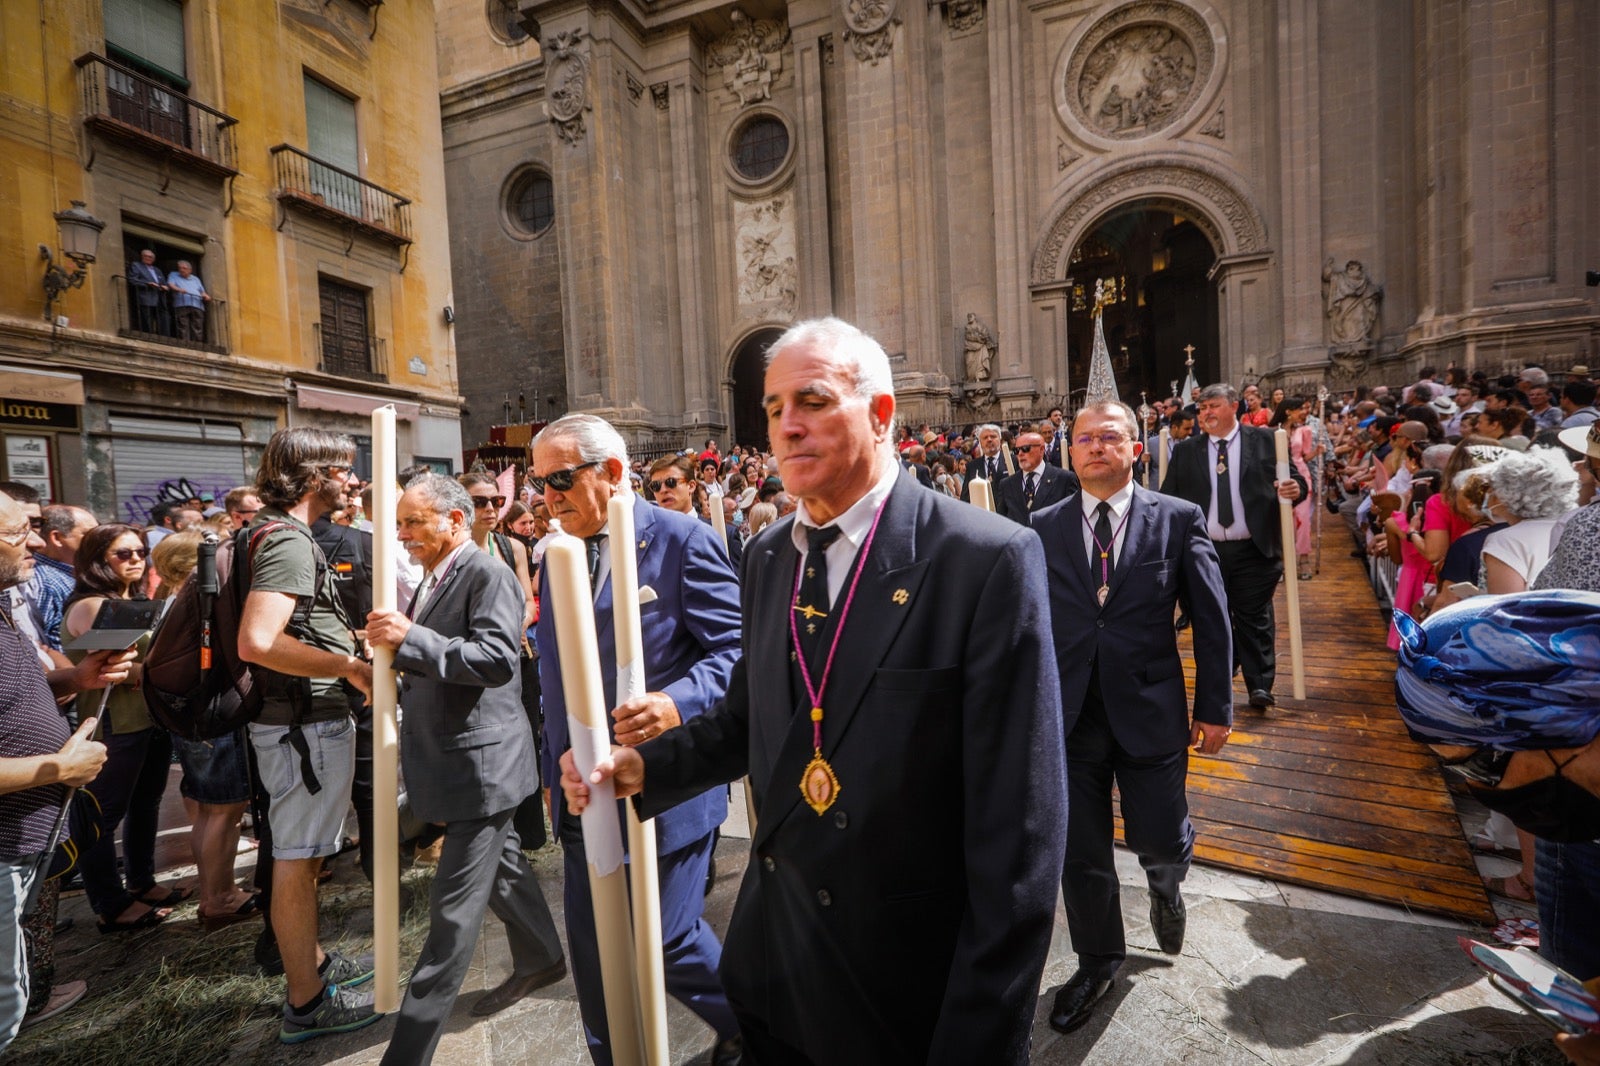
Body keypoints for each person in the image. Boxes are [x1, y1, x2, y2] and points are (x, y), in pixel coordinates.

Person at [561, 317, 1067, 1065]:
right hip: (779, 962)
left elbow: (1021, 830)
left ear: (882, 414)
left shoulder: (982, 559)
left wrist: (981, 1032)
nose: (787, 426)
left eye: (814, 401)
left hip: (905, 983)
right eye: (772, 408)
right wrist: (646, 768)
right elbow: (751, 714)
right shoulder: (768, 556)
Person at [534, 414, 743, 1066]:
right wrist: (560, 761)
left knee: (668, 937)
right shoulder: (557, 552)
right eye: (540, 483)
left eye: (562, 479)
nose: (549, 497)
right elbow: (554, 675)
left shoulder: (680, 541)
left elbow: (741, 650)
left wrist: (674, 704)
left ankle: (756, 1029)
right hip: (583, 794)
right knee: (594, 956)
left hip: (666, 787)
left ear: (613, 472)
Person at [1031, 400, 1231, 1034]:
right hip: (1069, 715)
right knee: (1080, 850)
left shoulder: (1176, 519)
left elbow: (1212, 618)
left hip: (1149, 708)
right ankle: (1097, 960)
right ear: (1071, 452)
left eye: (1109, 437)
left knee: (1159, 836)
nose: (1094, 447)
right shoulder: (1041, 524)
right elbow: (1023, 623)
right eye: (1084, 439)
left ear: (1135, 449)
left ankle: (1167, 885)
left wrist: (1215, 708)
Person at [365, 474, 565, 1066]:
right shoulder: (437, 574)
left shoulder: (487, 572)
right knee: (503, 870)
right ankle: (542, 958)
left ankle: (407, 1054)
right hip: (456, 760)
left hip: (484, 767)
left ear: (455, 521)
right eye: (398, 523)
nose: (401, 536)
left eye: (412, 523)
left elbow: (498, 659)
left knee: (451, 920)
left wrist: (412, 639)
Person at [235, 427, 379, 1043]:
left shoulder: (268, 530)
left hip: (298, 723)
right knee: (297, 862)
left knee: (300, 855)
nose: (352, 480)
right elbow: (260, 641)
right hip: (304, 727)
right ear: (314, 474)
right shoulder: (289, 541)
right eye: (344, 469)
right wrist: (348, 665)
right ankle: (306, 1002)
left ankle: (313, 963)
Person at [0, 490, 131, 1054]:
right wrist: (58, 766)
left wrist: (76, 680)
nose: (34, 541)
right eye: (15, 533)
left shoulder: (3, 606)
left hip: (24, 842)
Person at [61, 523, 185, 933]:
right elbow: (114, 669)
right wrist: (165, 669)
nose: (135, 559)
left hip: (146, 717)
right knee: (103, 814)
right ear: (98, 560)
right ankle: (110, 904)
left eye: (139, 552)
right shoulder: (93, 604)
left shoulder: (131, 598)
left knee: (145, 804)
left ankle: (142, 882)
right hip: (114, 719)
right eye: (123, 554)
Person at [1161, 384, 1305, 708]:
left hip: (1254, 547)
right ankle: (1223, 672)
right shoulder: (1186, 451)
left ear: (1234, 406)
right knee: (1212, 616)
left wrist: (1296, 488)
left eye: (1213, 406)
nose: (1206, 413)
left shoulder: (1267, 441)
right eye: (1202, 408)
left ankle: (1260, 684)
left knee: (1253, 614)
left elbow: (1295, 481)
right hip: (1205, 551)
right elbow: (1169, 497)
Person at [148, 531, 258, 930]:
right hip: (210, 715)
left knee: (208, 813)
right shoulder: (197, 604)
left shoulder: (168, 603)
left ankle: (214, 891)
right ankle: (220, 896)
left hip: (189, 719)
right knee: (223, 814)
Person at [25, 505, 96, 652]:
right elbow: (45, 642)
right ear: (57, 538)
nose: (99, 541)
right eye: (90, 535)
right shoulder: (46, 581)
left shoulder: (76, 575)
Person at [995, 430, 1077, 523]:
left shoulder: (1064, 479)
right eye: (1017, 450)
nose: (1020, 454)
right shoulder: (1007, 484)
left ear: (1041, 449)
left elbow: (1073, 518)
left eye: (1026, 448)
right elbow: (1002, 520)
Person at [959, 422, 1011, 502]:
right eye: (985, 437)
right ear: (980, 442)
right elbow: (965, 498)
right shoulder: (972, 466)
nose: (989, 440)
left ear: (1000, 441)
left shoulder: (1012, 461)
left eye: (993, 436)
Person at [165, 260, 211, 343]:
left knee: (197, 325)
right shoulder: (173, 275)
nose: (182, 270)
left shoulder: (195, 279)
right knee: (182, 325)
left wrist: (206, 296)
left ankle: (197, 343)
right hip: (181, 304)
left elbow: (201, 291)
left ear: (190, 270)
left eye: (184, 268)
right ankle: (184, 342)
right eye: (180, 268)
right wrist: (179, 289)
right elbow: (170, 285)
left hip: (197, 304)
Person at [126, 249, 167, 334]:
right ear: (142, 257)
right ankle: (148, 336)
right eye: (145, 256)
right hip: (145, 297)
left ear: (153, 259)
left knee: (161, 319)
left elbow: (164, 283)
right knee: (147, 319)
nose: (148, 258)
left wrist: (165, 287)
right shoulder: (136, 266)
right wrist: (147, 284)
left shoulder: (157, 270)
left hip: (159, 298)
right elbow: (132, 280)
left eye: (150, 257)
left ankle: (161, 335)